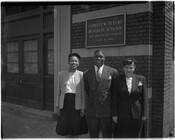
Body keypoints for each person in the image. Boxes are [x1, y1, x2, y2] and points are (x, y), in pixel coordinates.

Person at [83, 50, 118, 138]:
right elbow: (88, 90)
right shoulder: (86, 73)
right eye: (96, 56)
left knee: (107, 136)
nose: (99, 58)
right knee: (93, 136)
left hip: (106, 111)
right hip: (92, 111)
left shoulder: (113, 72)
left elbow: (115, 93)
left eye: (101, 56)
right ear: (93, 58)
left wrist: (114, 112)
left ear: (104, 58)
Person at [112, 58, 148, 138]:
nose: (129, 69)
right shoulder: (117, 80)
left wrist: (145, 113)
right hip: (121, 114)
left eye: (131, 67)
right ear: (123, 68)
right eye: (126, 67)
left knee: (135, 135)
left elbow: (144, 97)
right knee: (122, 135)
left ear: (134, 68)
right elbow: (114, 98)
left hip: (137, 114)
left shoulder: (141, 78)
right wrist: (114, 114)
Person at [55, 53, 88, 138]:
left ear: (78, 63)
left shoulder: (81, 74)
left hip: (76, 104)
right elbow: (58, 91)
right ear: (68, 62)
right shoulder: (61, 74)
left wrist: (83, 108)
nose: (74, 62)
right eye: (72, 60)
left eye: (76, 61)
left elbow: (83, 93)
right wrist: (58, 106)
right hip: (65, 104)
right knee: (66, 128)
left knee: (76, 129)